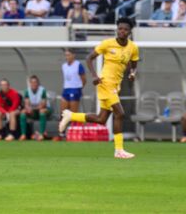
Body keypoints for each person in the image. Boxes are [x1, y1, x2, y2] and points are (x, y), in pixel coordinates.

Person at [58, 17, 139, 159]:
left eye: (125, 29)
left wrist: (132, 73)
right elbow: (89, 58)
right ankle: (119, 150)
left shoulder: (132, 47)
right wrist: (94, 76)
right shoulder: (107, 44)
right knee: (120, 113)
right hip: (105, 83)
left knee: (101, 119)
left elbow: (134, 63)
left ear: (129, 32)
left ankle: (70, 115)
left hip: (116, 85)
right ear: (117, 29)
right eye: (120, 28)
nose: (122, 31)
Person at [20, 75, 51, 141]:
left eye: (35, 82)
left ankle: (42, 134)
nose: (34, 84)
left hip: (46, 110)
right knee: (23, 112)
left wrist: (32, 109)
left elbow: (42, 105)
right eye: (32, 82)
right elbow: (26, 103)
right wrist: (28, 109)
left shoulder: (42, 90)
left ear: (38, 83)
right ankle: (23, 134)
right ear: (30, 83)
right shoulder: (27, 91)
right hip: (34, 111)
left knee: (42, 111)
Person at [60, 49, 86, 118]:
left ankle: (73, 127)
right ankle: (63, 128)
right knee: (63, 113)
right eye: (66, 55)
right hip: (66, 89)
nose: (67, 57)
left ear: (73, 55)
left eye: (68, 55)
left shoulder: (78, 65)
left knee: (73, 113)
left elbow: (83, 79)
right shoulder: (64, 66)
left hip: (75, 89)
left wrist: (79, 88)